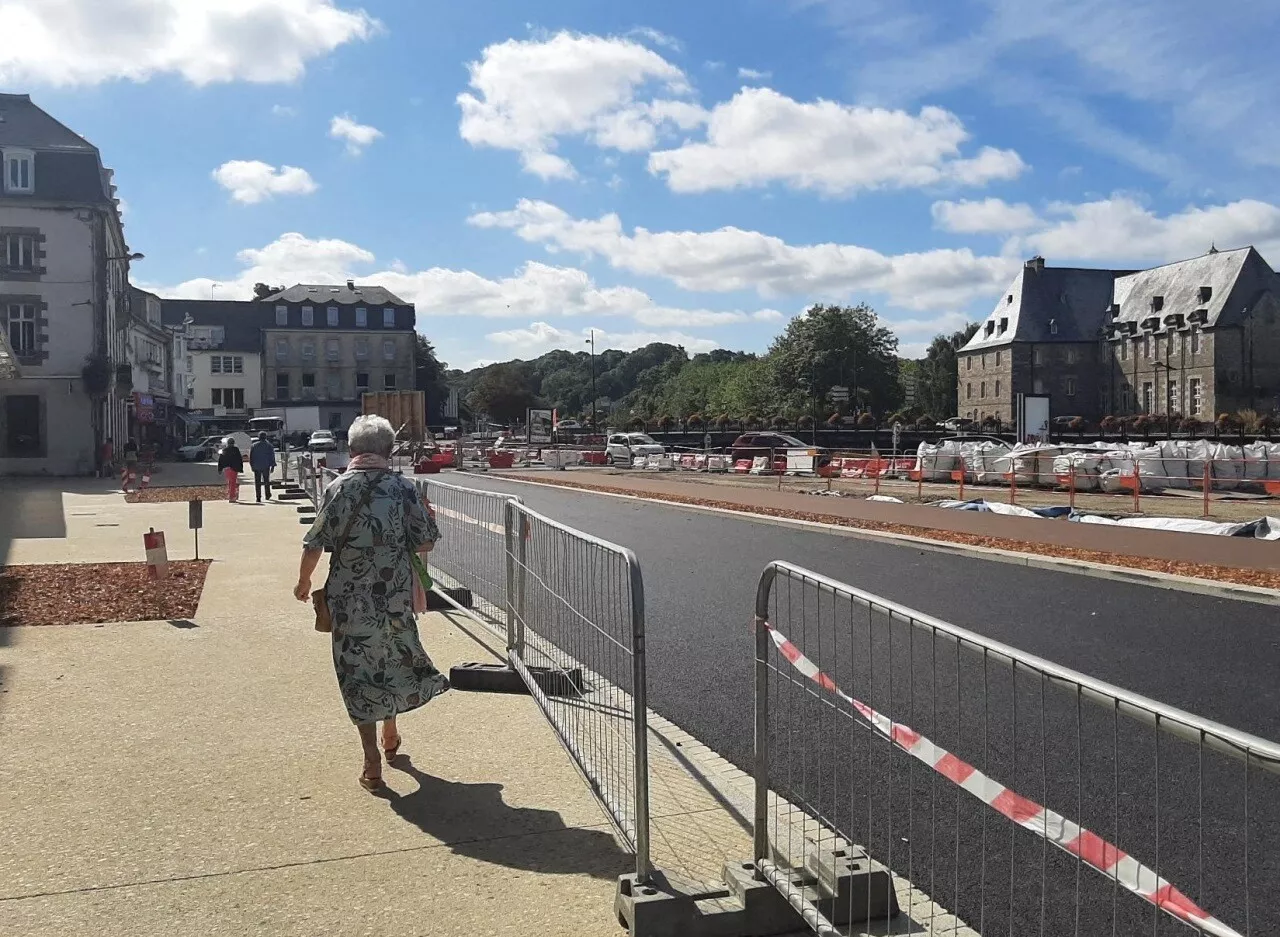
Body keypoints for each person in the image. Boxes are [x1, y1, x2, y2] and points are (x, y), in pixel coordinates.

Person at [293, 415, 448, 792]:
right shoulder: (403, 488)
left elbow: (315, 541)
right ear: (389, 450)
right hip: (393, 595)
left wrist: (303, 581)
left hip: (348, 598)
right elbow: (426, 541)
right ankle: (391, 733)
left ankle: (371, 761)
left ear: (351, 449)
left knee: (357, 671)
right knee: (392, 661)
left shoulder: (339, 488)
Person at [249, 432, 277, 503]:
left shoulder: (254, 445)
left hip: (256, 466)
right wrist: (272, 466)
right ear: (266, 437)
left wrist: (252, 465)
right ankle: (267, 494)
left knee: (257, 482)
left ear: (259, 437)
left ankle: (258, 497)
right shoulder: (269, 445)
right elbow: (272, 456)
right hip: (266, 466)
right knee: (266, 480)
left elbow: (251, 457)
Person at [217, 437, 244, 502]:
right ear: (233, 443)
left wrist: (220, 469)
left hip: (226, 468)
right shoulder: (236, 449)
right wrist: (240, 468)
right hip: (234, 468)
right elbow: (239, 459)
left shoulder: (224, 450)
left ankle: (230, 495)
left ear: (227, 443)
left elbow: (220, 460)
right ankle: (231, 497)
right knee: (233, 483)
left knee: (230, 482)